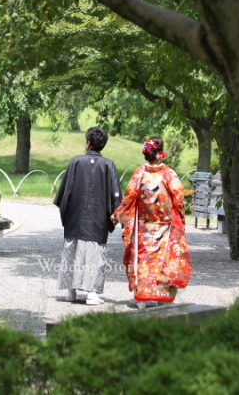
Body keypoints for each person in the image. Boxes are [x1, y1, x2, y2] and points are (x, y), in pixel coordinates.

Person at [111, 137, 192, 308]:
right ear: (160, 153)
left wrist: (117, 215)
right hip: (165, 226)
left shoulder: (139, 174)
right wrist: (180, 220)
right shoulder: (169, 174)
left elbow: (128, 199)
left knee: (144, 260)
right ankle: (161, 295)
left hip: (144, 227)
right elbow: (178, 198)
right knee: (164, 260)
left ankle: (143, 296)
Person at [54, 127, 121, 305]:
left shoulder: (76, 161)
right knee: (94, 254)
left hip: (75, 217)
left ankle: (71, 291)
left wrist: (66, 213)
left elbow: (65, 192)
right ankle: (92, 293)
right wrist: (114, 215)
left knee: (73, 251)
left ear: (88, 143)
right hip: (98, 218)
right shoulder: (108, 165)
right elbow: (116, 195)